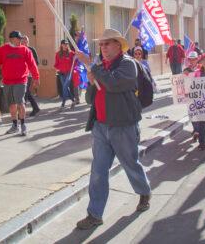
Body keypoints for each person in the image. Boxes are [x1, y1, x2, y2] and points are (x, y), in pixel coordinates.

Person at [74, 29, 151, 230]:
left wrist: (91, 66)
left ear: (118, 45)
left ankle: (144, 192)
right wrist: (92, 81)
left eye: (107, 43)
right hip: (100, 126)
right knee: (98, 171)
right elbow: (90, 98)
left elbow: (115, 83)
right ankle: (94, 214)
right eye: (101, 44)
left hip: (123, 126)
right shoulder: (100, 66)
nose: (103, 47)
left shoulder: (128, 64)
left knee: (130, 164)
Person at [0, 31, 39, 136]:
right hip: (7, 81)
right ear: (12, 39)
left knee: (20, 102)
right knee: (12, 104)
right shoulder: (2, 50)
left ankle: (23, 125)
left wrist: (36, 77)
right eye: (19, 38)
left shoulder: (25, 50)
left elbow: (32, 64)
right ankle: (14, 125)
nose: (21, 40)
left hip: (21, 80)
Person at [21, 35, 41, 117]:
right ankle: (35, 108)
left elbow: (36, 62)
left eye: (26, 41)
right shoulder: (19, 49)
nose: (24, 42)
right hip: (21, 74)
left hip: (28, 74)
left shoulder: (31, 50)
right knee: (27, 92)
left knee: (25, 92)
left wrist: (33, 72)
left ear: (28, 42)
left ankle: (22, 113)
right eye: (23, 41)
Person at [183, 51, 200, 142]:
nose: (192, 61)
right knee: (192, 112)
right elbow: (182, 81)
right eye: (191, 59)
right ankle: (196, 129)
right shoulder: (186, 69)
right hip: (190, 94)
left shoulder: (201, 68)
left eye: (194, 59)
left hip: (200, 94)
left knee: (199, 112)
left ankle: (198, 130)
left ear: (197, 59)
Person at [54, 39, 76, 109]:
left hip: (69, 73)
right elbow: (56, 64)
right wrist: (59, 68)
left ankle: (63, 103)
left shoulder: (71, 53)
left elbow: (75, 62)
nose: (65, 45)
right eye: (64, 44)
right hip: (61, 73)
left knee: (64, 87)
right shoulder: (58, 54)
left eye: (66, 44)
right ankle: (73, 100)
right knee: (66, 87)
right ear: (61, 45)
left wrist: (76, 58)